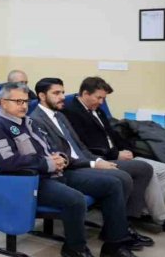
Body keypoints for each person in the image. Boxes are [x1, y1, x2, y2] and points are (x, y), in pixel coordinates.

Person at [0, 84, 152, 257]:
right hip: (32, 181)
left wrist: (61, 158)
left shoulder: (28, 121)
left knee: (112, 184)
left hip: (58, 172)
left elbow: (51, 147)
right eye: (18, 101)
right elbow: (9, 163)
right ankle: (75, 249)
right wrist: (48, 163)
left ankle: (115, 245)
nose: (23, 106)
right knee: (75, 199)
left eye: (25, 101)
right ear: (3, 102)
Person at [30, 78, 158, 242]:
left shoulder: (60, 115)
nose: (62, 97)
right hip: (70, 169)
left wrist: (96, 159)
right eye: (56, 93)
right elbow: (59, 157)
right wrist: (94, 163)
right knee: (120, 178)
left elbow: (80, 146)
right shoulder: (36, 120)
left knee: (143, 168)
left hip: (85, 161)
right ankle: (117, 231)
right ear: (42, 96)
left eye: (62, 92)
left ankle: (123, 223)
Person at [62, 76, 165, 234]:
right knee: (149, 171)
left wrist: (127, 150)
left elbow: (112, 134)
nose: (101, 102)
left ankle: (142, 211)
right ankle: (159, 218)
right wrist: (116, 153)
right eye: (98, 97)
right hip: (103, 158)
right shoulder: (72, 113)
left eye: (103, 98)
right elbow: (85, 145)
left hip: (117, 153)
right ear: (85, 93)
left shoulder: (96, 110)